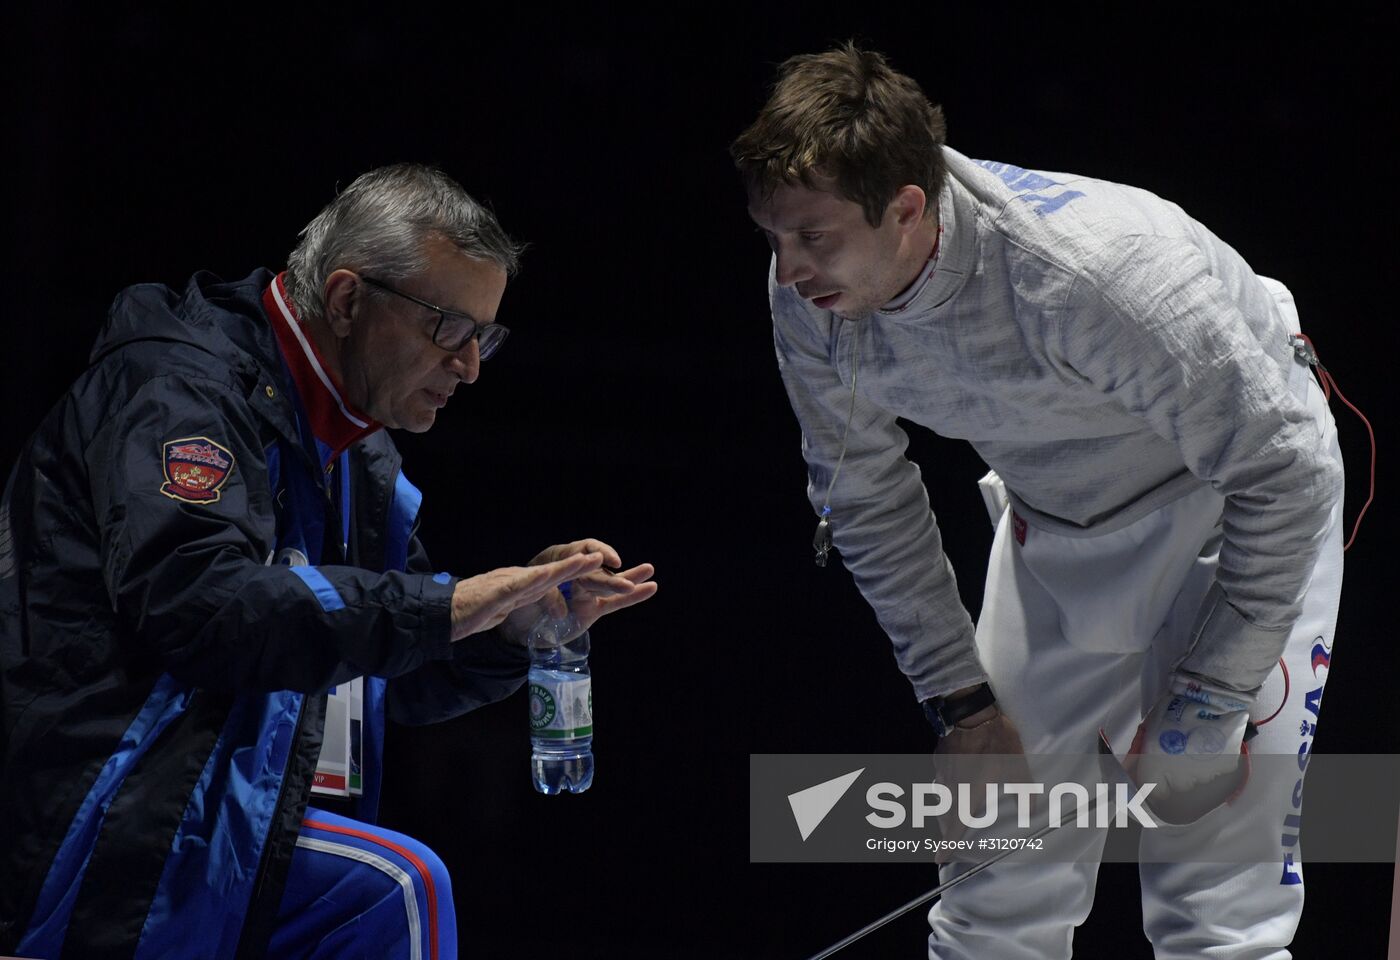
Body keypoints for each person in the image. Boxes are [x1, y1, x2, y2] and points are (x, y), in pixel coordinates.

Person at [732, 44, 1344, 959]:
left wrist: (1212, 697)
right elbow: (864, 497)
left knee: (1214, 908)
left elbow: (1288, 473)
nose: (788, 272)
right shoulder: (812, 294)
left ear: (907, 209)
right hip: (1051, 529)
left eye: (813, 237)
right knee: (991, 887)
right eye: (772, 237)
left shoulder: (1098, 277)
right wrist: (961, 705)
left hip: (1227, 521)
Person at [0, 164, 657, 958]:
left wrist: (506, 628)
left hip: (220, 835)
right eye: (449, 328)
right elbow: (200, 606)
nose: (471, 365)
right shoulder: (179, 393)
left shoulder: (357, 454)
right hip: (99, 832)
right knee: (393, 889)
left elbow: (383, 662)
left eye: (485, 336)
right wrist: (445, 605)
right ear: (347, 300)